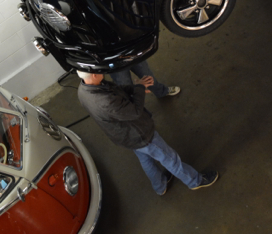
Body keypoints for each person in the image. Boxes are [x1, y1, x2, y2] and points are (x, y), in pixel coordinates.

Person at [76, 70, 218, 195]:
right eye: (98, 70)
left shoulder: (84, 90)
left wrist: (136, 88)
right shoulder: (104, 101)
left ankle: (160, 186)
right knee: (170, 158)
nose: (102, 71)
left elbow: (117, 91)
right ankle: (195, 181)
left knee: (146, 160)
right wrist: (139, 88)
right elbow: (135, 111)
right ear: (94, 75)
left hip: (127, 138)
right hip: (140, 134)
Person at [109, 59, 179, 98]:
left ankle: (161, 91)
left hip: (132, 50)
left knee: (147, 75)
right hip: (112, 60)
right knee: (125, 86)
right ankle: (135, 110)